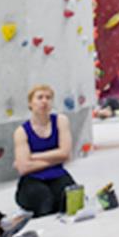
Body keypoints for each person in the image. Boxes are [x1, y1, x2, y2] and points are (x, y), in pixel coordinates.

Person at [13, 85, 77, 217]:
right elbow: (24, 168)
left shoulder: (61, 121)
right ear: (30, 103)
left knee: (69, 201)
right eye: (40, 97)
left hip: (57, 174)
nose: (44, 101)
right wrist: (55, 158)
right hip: (32, 177)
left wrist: (34, 157)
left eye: (48, 98)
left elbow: (65, 153)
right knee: (43, 202)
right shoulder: (21, 132)